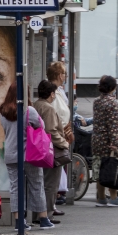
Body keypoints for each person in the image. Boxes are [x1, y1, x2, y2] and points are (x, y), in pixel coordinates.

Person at [0, 82, 53, 230]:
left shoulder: (2, 111)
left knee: (15, 187)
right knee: (36, 184)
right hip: (29, 155)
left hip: (11, 155)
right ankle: (43, 219)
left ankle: (19, 221)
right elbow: (41, 125)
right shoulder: (28, 110)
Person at [32, 80, 69, 224]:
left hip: (37, 149)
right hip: (50, 151)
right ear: (51, 94)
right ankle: (46, 214)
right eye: (54, 93)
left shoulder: (36, 105)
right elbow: (51, 131)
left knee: (40, 183)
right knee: (51, 184)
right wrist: (64, 143)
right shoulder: (48, 108)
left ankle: (38, 214)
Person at [92, 76, 118, 208]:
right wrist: (115, 143)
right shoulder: (112, 103)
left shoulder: (97, 101)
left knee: (100, 169)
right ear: (113, 88)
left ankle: (101, 198)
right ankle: (113, 197)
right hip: (108, 141)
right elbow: (113, 125)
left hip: (97, 140)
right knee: (112, 168)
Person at [47, 62, 72, 212]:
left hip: (63, 131)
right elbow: (55, 113)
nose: (65, 76)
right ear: (58, 75)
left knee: (58, 169)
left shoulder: (60, 91)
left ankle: (53, 202)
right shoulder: (53, 92)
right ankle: (51, 205)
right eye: (63, 73)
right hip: (58, 133)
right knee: (54, 171)